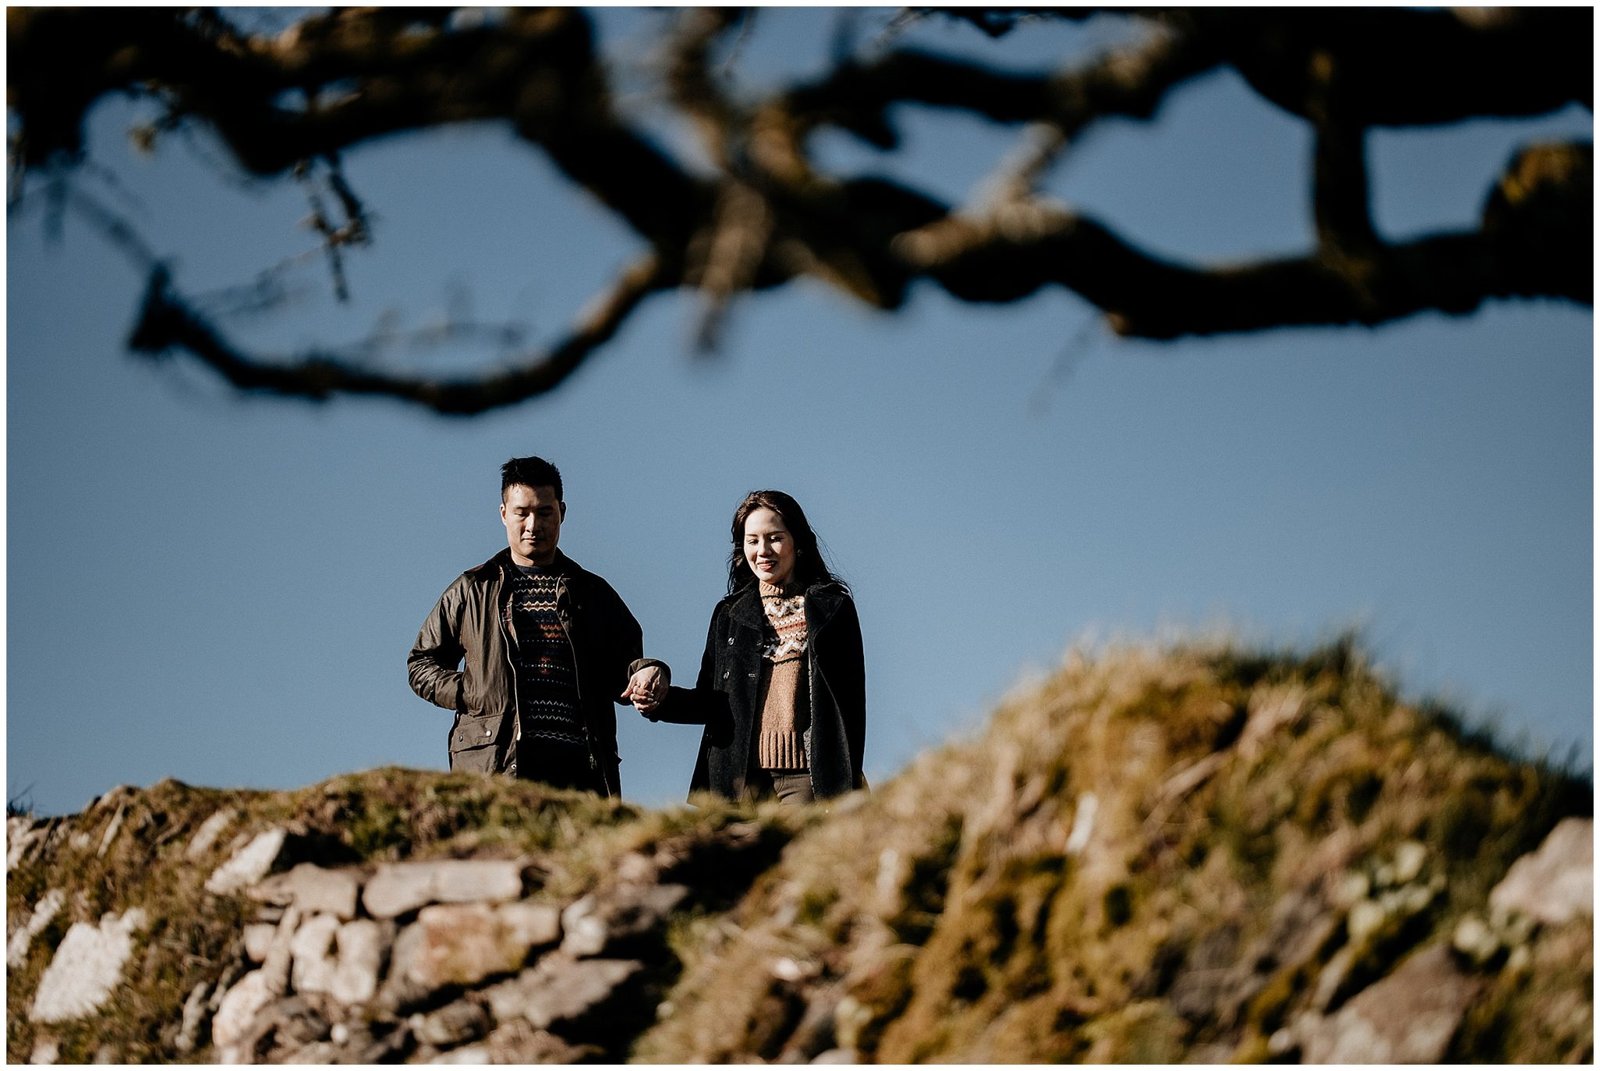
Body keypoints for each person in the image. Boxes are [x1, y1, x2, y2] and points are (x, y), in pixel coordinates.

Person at [408, 456, 667, 797]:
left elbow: (625, 665)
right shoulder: (472, 589)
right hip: (495, 764)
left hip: (579, 768)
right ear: (504, 514)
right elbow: (421, 664)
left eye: (544, 513)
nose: (533, 525)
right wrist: (470, 690)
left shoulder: (592, 592)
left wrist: (649, 670)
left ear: (562, 512)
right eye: (522, 513)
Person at [633, 490, 865, 805]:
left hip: (808, 778)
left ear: (798, 542)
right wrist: (659, 699)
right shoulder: (729, 614)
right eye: (752, 540)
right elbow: (709, 702)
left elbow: (851, 705)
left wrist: (846, 780)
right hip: (738, 781)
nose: (763, 550)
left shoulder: (831, 609)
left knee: (794, 855)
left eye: (775, 538)